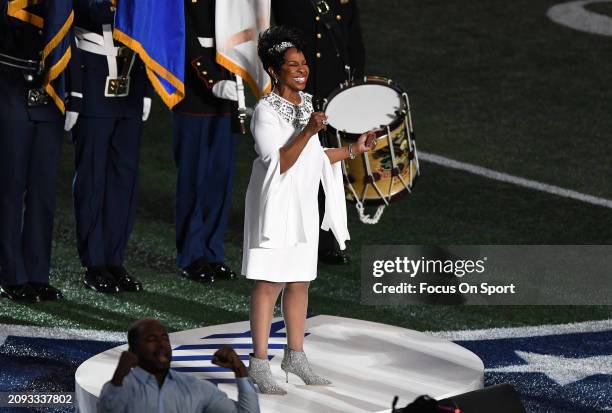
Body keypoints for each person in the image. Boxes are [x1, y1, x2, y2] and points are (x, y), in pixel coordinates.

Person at [242, 26, 376, 394]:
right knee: (270, 283)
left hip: (302, 203)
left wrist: (353, 150)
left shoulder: (308, 104)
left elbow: (313, 158)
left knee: (300, 280)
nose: (302, 70)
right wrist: (307, 130)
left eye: (304, 64)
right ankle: (257, 364)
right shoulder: (264, 113)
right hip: (274, 205)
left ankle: (295, 355)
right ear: (274, 71)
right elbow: (280, 163)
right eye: (293, 65)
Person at [272, 0, 366, 266]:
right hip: (297, 89)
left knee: (329, 169)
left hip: (334, 89)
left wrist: (356, 88)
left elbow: (354, 42)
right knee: (298, 164)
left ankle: (325, 241)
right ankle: (293, 234)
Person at [0, 0, 81, 302]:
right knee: (10, 189)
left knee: (43, 191)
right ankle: (11, 275)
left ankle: (37, 273)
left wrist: (74, 95)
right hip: (9, 87)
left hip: (50, 91)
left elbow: (69, 34)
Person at [72, 0, 150, 293]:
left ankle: (115, 259)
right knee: (92, 175)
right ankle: (94, 264)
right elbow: (90, 11)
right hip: (93, 71)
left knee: (124, 178)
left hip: (132, 74)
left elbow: (148, 27)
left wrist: (146, 89)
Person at [172, 0, 240, 284]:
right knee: (194, 178)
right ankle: (191, 254)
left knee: (219, 177)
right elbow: (180, 34)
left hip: (231, 88)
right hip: (194, 93)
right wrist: (211, 81)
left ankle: (213, 252)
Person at [98, 318, 260, 412]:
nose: (162, 345)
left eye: (165, 338)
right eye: (152, 339)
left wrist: (240, 370)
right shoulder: (121, 388)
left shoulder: (194, 387)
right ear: (133, 350)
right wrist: (119, 377)